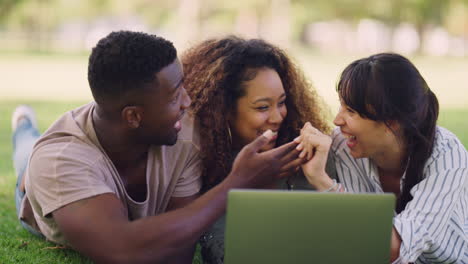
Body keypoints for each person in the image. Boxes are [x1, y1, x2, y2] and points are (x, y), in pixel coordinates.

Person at [12, 31, 304, 263]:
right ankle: (23, 124)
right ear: (134, 116)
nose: (188, 103)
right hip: (42, 197)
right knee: (28, 152)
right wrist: (235, 184)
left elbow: (177, 252)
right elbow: (122, 250)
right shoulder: (59, 161)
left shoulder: (183, 136)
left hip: (98, 145)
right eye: (175, 96)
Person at [296, 53, 468, 263]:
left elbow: (390, 249)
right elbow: (355, 240)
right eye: (341, 106)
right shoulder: (344, 147)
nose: (337, 120)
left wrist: (322, 182)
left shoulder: (445, 153)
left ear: (392, 121)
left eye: (350, 111)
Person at [181, 36, 335, 263]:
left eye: (282, 102)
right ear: (222, 110)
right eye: (262, 107)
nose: (277, 117)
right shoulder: (196, 171)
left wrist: (321, 179)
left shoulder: (309, 160)